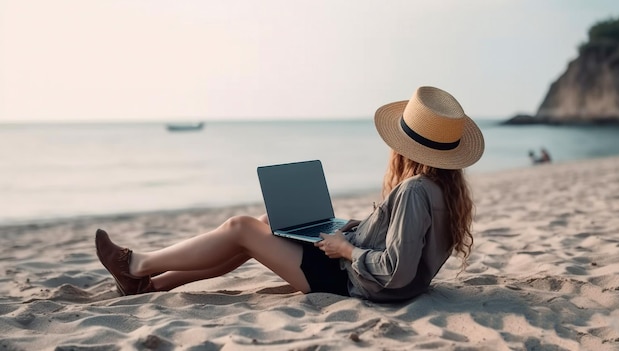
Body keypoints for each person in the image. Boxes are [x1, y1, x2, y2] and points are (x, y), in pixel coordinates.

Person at [95, 86, 485, 302]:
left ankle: (137, 266)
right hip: (359, 274)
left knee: (241, 228)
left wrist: (346, 250)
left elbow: (396, 272)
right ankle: (153, 285)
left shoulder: (415, 189)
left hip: (350, 282)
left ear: (404, 146)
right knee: (270, 224)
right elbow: (406, 246)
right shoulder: (443, 188)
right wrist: (355, 230)